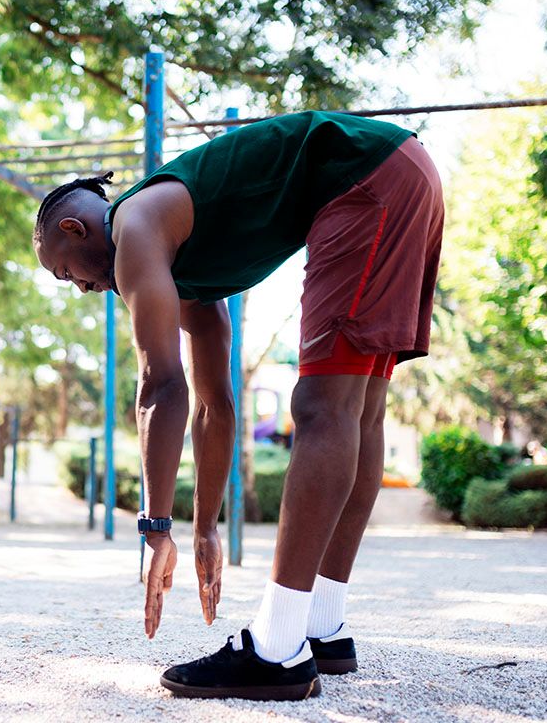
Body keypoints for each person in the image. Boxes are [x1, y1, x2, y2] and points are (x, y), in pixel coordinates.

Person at [32, 111, 444, 701]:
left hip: (365, 181)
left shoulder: (134, 229)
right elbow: (213, 405)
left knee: (323, 406)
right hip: (405, 172)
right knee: (358, 409)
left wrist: (153, 529)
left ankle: (277, 651)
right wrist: (204, 528)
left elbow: (159, 386)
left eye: (64, 271)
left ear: (75, 228)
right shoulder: (183, 260)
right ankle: (321, 625)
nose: (78, 286)